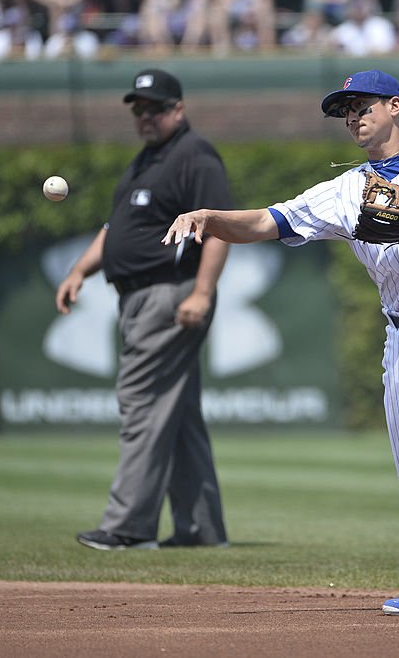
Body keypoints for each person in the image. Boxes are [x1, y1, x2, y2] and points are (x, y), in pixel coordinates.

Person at [161, 69, 399, 615]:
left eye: (363, 104)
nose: (353, 115)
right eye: (344, 109)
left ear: (395, 106)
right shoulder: (346, 190)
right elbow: (266, 221)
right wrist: (211, 218)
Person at [58, 69, 233, 551]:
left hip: (169, 293)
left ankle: (128, 527)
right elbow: (116, 230)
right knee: (175, 413)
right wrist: (79, 271)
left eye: (154, 107)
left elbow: (218, 226)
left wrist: (202, 292)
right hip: (139, 296)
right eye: (138, 109)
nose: (145, 117)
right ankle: (200, 529)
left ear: (178, 108)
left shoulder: (194, 155)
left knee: (140, 401)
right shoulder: (145, 162)